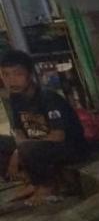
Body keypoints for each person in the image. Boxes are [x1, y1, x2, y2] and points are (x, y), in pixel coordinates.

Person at [0, 49, 87, 203]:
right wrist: (19, 149)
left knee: (28, 148)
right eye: (5, 75)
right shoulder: (15, 98)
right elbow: (18, 130)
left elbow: (58, 136)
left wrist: (20, 151)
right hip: (37, 147)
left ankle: (46, 187)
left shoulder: (48, 97)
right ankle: (32, 181)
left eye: (17, 74)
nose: (11, 80)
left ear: (30, 74)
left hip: (69, 147)